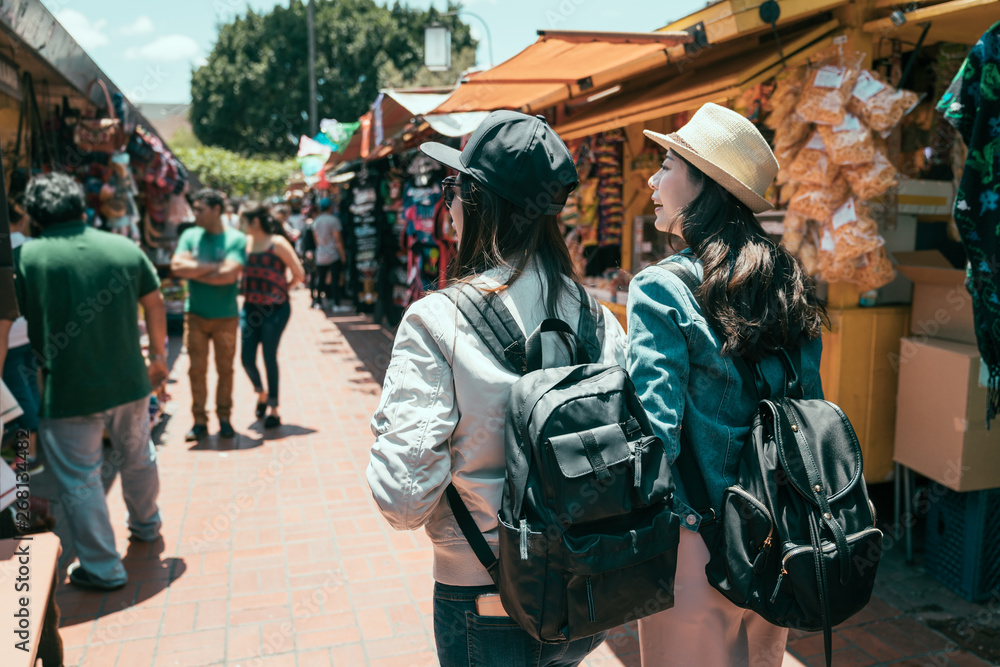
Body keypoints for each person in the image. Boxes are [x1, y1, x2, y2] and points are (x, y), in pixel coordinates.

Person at [366, 110, 625, 666]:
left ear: (478, 201)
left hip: (486, 600)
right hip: (588, 591)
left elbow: (402, 499)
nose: (447, 203)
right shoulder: (602, 320)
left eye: (453, 187)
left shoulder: (437, 321)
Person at [626, 103, 826, 667]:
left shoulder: (660, 290)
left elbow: (653, 436)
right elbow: (804, 413)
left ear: (703, 182)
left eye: (667, 164)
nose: (652, 179)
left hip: (697, 544)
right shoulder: (786, 281)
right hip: (777, 537)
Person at [14, 173, 167, 591]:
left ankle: (103, 568)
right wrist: (157, 358)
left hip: (68, 393)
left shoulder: (28, 258)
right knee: (138, 456)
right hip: (129, 383)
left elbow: (9, 319)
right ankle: (147, 526)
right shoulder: (122, 247)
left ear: (35, 216)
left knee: (81, 480)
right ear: (82, 206)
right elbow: (155, 302)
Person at [170, 189, 246, 441]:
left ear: (217, 210)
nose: (195, 214)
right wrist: (215, 269)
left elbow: (230, 275)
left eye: (200, 209)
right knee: (196, 370)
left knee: (225, 370)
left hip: (226, 316)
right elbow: (177, 267)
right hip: (196, 316)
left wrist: (197, 271)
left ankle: (224, 418)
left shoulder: (235, 238)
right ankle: (199, 421)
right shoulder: (190, 235)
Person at [239, 202, 305, 428]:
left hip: (275, 310)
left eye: (243, 220)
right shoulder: (245, 243)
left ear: (254, 222)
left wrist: (283, 288)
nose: (240, 225)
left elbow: (299, 273)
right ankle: (261, 393)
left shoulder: (277, 243)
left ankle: (274, 409)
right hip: (250, 308)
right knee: (246, 358)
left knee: (269, 356)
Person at [2, 201, 41, 471]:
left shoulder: (8, 251)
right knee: (29, 389)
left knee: (20, 395)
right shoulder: (31, 247)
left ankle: (28, 457)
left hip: (10, 336)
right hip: (28, 331)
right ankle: (31, 450)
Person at [312, 197, 346, 311]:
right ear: (330, 207)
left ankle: (319, 302)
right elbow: (338, 240)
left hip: (320, 255)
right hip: (333, 255)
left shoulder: (316, 221)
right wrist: (343, 255)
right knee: (335, 280)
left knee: (321, 279)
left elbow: (316, 240)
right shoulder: (333, 220)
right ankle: (336, 304)